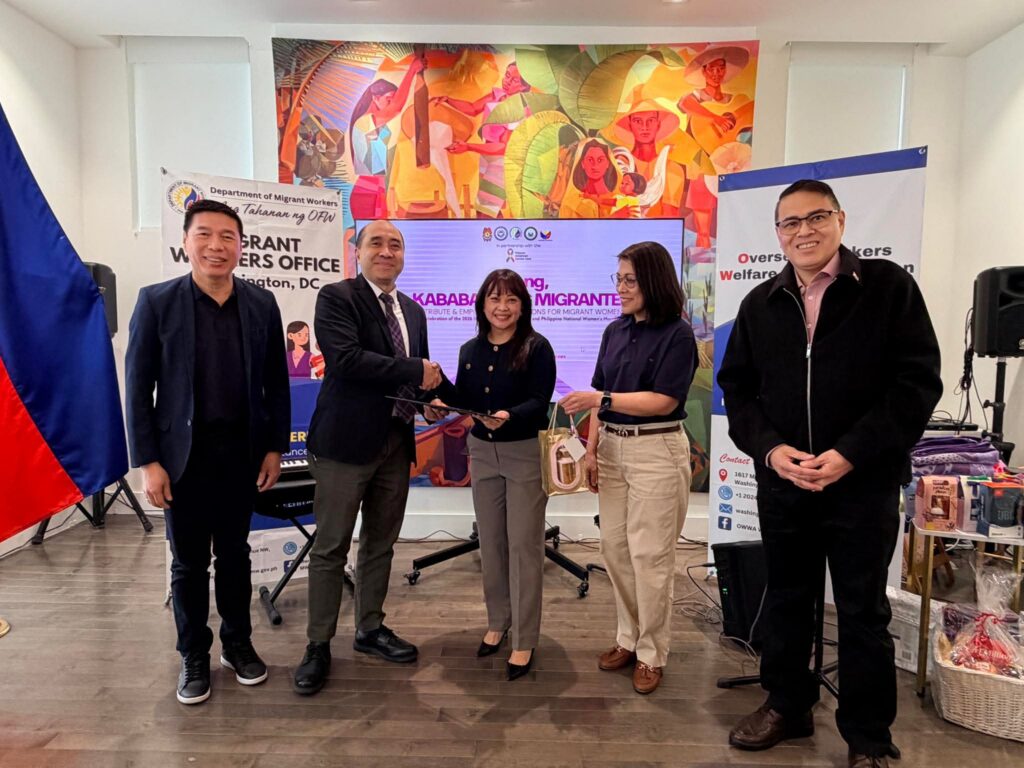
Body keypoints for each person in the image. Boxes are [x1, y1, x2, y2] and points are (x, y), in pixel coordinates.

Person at [716, 180, 942, 768]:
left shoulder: (887, 288)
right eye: (790, 223)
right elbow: (738, 393)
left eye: (816, 217)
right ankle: (787, 706)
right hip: (784, 484)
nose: (804, 231)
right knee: (788, 598)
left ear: (840, 220)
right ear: (777, 234)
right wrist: (770, 451)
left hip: (860, 485)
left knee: (863, 610)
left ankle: (868, 737)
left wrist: (852, 453)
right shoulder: (760, 303)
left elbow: (916, 384)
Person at [125, 199, 290, 705]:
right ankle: (193, 652)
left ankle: (237, 644)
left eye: (227, 237)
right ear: (185, 241)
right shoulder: (157, 302)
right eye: (204, 235)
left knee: (236, 556)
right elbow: (137, 388)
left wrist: (274, 449)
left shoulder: (261, 304)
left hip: (240, 453)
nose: (216, 246)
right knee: (189, 564)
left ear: (241, 245)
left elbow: (275, 385)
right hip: (182, 458)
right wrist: (149, 461)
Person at [293, 219, 443, 695]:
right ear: (357, 251)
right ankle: (318, 644)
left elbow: (418, 378)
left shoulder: (414, 312)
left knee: (381, 544)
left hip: (396, 445)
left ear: (403, 256)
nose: (386, 251)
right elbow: (347, 360)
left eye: (395, 244)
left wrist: (441, 399)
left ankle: (369, 629)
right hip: (343, 446)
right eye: (376, 242)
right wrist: (417, 371)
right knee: (332, 546)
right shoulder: (337, 297)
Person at [559, 241, 697, 695]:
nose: (620, 288)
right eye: (617, 278)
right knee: (615, 551)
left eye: (629, 280)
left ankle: (652, 653)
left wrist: (603, 400)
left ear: (653, 281)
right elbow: (602, 395)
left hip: (657, 452)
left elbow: (665, 400)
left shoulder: (678, 334)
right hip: (614, 452)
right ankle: (628, 638)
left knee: (650, 557)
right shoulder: (614, 331)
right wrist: (593, 450)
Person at [428, 269, 556, 681]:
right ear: (482, 304)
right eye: (495, 299)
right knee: (492, 543)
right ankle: (498, 622)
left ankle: (525, 638)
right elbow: (463, 398)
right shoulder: (470, 348)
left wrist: (509, 416)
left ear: (523, 305)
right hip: (482, 453)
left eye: (512, 300)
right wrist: (437, 399)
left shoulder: (537, 347)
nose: (502, 308)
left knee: (523, 547)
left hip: (522, 454)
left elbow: (540, 399)